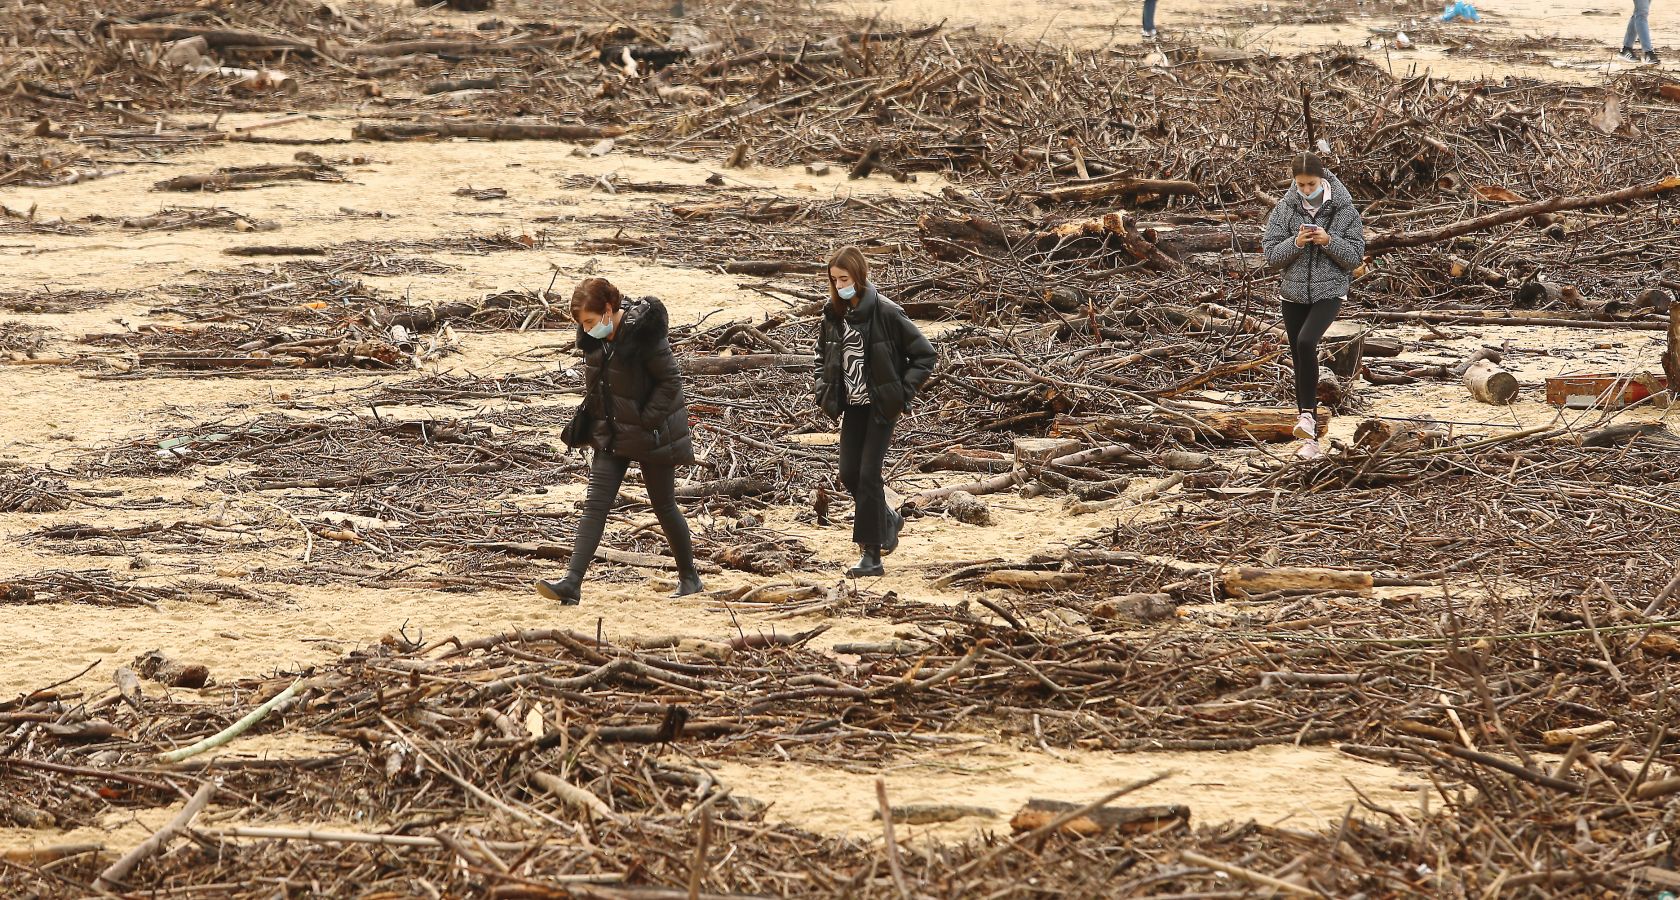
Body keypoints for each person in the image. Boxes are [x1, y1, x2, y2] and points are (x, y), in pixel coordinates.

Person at [536, 278, 702, 605]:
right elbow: (598, 390)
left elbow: (671, 382)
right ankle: (571, 583)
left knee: (664, 505)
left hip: (654, 434)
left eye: (589, 321)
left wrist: (646, 420)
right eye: (581, 324)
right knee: (595, 505)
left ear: (609, 310)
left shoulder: (645, 336)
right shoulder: (595, 341)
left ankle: (689, 577)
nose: (585, 330)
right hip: (611, 432)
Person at [815, 247, 937, 578]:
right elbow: (822, 357)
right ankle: (888, 518)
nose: (839, 284)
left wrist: (901, 393)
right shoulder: (833, 314)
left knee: (868, 475)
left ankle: (872, 554)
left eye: (845, 278)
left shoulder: (886, 312)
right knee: (848, 474)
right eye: (834, 279)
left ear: (859, 276)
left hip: (882, 407)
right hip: (852, 406)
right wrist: (823, 389)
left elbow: (925, 355)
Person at [1260, 151, 1366, 460]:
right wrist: (1295, 243)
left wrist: (1328, 240)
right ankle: (1307, 426)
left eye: (1311, 184)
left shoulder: (1345, 210)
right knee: (1299, 356)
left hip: (1330, 292)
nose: (1306, 190)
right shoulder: (1284, 209)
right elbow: (1271, 255)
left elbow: (1355, 256)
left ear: (1322, 179)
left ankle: (1309, 418)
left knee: (1307, 341)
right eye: (1301, 184)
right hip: (1292, 294)